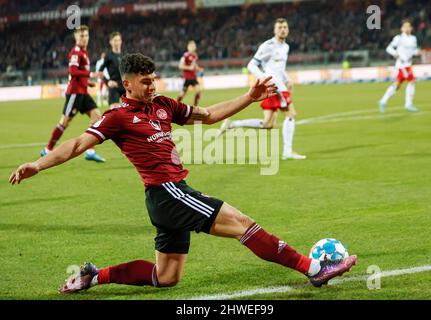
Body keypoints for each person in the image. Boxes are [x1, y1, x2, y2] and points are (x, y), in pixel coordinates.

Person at [10, 53, 357, 294]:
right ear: (126, 84)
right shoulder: (116, 117)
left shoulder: (163, 105)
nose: (152, 85)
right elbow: (76, 145)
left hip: (171, 195)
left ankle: (93, 276)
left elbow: (209, 115)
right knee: (242, 223)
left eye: (154, 79)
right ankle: (314, 269)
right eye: (145, 82)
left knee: (167, 277)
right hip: (166, 193)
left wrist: (248, 98)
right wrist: (37, 165)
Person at [218, 18, 305, 160]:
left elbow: (279, 68)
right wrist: (265, 79)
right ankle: (287, 152)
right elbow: (251, 65)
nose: (283, 29)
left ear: (288, 29)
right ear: (274, 30)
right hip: (273, 86)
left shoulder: (285, 47)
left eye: (285, 27)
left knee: (268, 124)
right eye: (280, 27)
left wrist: (287, 79)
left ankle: (232, 124)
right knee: (291, 114)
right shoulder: (268, 45)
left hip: (280, 85)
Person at [40, 25, 105, 162]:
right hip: (75, 94)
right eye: (81, 36)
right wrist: (91, 74)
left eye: (86, 35)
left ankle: (90, 151)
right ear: (76, 37)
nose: (84, 38)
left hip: (83, 92)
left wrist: (87, 82)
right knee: (64, 122)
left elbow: (78, 75)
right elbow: (73, 71)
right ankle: (48, 149)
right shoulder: (76, 52)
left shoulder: (84, 52)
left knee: (97, 119)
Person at [378, 20, 420, 113]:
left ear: (411, 28)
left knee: (397, 85)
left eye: (409, 26)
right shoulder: (399, 38)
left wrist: (417, 52)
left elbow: (413, 50)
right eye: (405, 26)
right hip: (402, 64)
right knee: (412, 81)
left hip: (408, 64)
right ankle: (408, 104)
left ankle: (383, 101)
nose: (407, 28)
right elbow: (389, 48)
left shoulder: (413, 38)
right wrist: (395, 53)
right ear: (402, 29)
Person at [99, 32, 125, 109]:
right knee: (115, 111)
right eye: (115, 40)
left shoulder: (124, 55)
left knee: (131, 111)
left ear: (121, 41)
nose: (117, 42)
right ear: (111, 42)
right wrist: (108, 81)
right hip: (114, 87)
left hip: (125, 86)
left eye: (118, 40)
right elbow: (100, 72)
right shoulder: (108, 56)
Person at [177, 40, 203, 106]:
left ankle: (195, 107)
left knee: (198, 91)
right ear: (188, 47)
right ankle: (175, 105)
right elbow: (180, 66)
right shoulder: (185, 55)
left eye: (194, 46)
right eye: (191, 46)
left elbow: (194, 65)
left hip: (193, 77)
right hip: (187, 78)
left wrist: (198, 69)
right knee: (182, 94)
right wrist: (189, 68)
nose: (193, 47)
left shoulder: (195, 55)